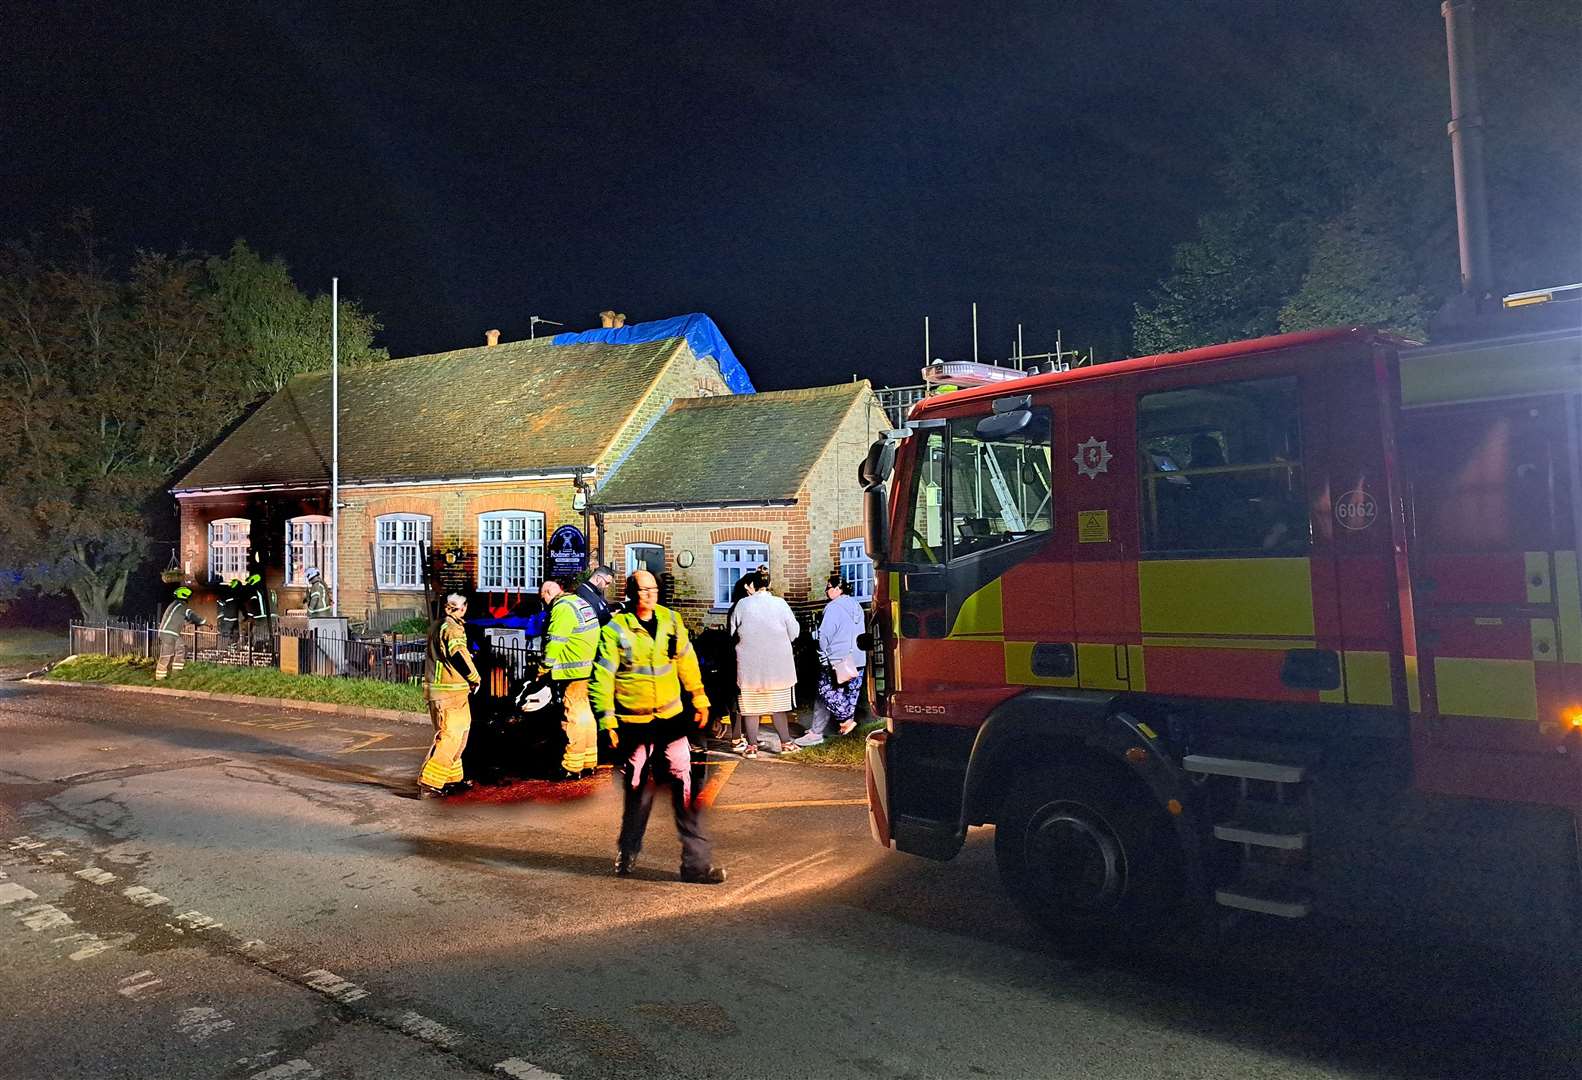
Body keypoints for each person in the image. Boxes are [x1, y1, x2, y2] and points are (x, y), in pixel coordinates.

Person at [590, 569, 725, 884]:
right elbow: (603, 676)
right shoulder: (615, 630)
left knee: (686, 791)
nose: (649, 595)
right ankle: (628, 850)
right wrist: (607, 720)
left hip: (670, 721)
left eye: (653, 589)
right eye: (642, 590)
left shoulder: (670, 621)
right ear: (630, 593)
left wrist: (700, 698)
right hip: (634, 725)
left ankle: (696, 866)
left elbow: (687, 662)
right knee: (638, 792)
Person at [728, 566, 801, 756]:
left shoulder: (742, 605)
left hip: (750, 667)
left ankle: (752, 747)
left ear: (752, 585)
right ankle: (786, 743)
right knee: (778, 707)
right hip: (778, 668)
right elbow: (794, 632)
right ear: (769, 584)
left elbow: (732, 632)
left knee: (752, 708)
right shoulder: (780, 604)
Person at [418, 593, 483, 798]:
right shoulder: (452, 629)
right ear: (462, 608)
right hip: (448, 692)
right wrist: (474, 677)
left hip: (452, 691)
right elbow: (457, 655)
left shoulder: (440, 626)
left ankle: (451, 779)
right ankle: (429, 784)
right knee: (450, 737)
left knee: (459, 736)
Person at [795, 575, 867, 746]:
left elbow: (824, 636)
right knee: (850, 694)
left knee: (825, 691)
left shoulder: (833, 608)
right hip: (857, 658)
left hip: (838, 659)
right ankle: (818, 730)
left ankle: (845, 721)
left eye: (828, 587)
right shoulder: (856, 605)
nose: (826, 591)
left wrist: (822, 654)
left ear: (837, 589)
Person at [539, 578, 601, 779]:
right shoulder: (579, 602)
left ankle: (572, 766)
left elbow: (556, 640)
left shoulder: (562, 608)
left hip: (572, 669)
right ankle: (589, 760)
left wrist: (543, 667)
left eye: (543, 600)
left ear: (549, 593)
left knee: (573, 715)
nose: (544, 605)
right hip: (588, 665)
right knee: (585, 714)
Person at [154, 586, 205, 680]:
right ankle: (160, 677)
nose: (189, 599)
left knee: (181, 647)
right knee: (167, 654)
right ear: (184, 596)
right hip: (169, 634)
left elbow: (182, 619)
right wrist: (203, 622)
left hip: (171, 633)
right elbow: (191, 615)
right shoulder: (181, 606)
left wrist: (190, 622)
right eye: (188, 597)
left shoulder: (176, 606)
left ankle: (177, 672)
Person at [216, 578, 241, 646]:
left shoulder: (229, 595)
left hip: (229, 620)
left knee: (231, 636)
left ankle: (231, 648)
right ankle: (231, 648)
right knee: (230, 636)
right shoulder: (235, 596)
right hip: (230, 620)